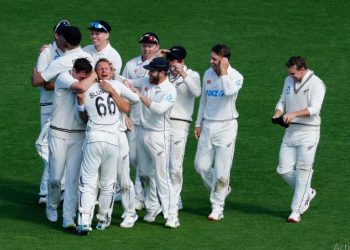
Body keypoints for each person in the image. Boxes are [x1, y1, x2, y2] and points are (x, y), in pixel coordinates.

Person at [76, 59, 140, 235]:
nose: (104, 71)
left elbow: (84, 118)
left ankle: (84, 221)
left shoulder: (87, 88)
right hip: (112, 139)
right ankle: (103, 219)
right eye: (100, 68)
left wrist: (80, 104)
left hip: (96, 137)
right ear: (96, 72)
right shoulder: (115, 86)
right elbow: (130, 104)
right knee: (107, 183)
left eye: (107, 68)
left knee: (89, 182)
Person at [126, 57, 180, 228]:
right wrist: (114, 75)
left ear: (162, 73)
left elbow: (159, 109)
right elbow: (129, 81)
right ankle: (152, 208)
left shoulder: (170, 90)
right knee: (144, 173)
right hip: (142, 131)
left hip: (159, 136)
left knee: (162, 177)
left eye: (152, 71)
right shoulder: (147, 80)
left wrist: (139, 95)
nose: (148, 73)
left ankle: (172, 215)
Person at [272, 56, 326, 223]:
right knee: (283, 169)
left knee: (303, 170)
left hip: (309, 132)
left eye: (294, 73)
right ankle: (307, 192)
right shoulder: (288, 80)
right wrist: (278, 112)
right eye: (290, 73)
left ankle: (296, 211)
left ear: (302, 69)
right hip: (290, 131)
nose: (291, 76)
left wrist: (294, 114)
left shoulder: (317, 84)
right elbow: (282, 100)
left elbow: (315, 109)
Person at [44, 58, 96, 230]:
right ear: (73, 70)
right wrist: (94, 75)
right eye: (79, 76)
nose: (82, 81)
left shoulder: (86, 82)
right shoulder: (63, 77)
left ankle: (68, 217)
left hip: (78, 136)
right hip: (58, 133)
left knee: (73, 179)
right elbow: (81, 87)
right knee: (55, 178)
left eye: (84, 77)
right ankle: (51, 205)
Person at [194, 44, 243, 221]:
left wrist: (223, 72)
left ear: (224, 60)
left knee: (222, 170)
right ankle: (223, 189)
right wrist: (198, 123)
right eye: (211, 58)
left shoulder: (236, 76)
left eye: (215, 59)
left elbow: (229, 91)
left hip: (226, 126)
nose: (211, 61)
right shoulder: (207, 73)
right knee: (200, 166)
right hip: (208, 125)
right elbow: (204, 100)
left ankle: (217, 207)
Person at [32, 19, 70, 205]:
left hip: (66, 108)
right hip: (49, 107)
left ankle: (48, 192)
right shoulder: (47, 53)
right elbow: (40, 82)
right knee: (49, 149)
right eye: (63, 33)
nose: (66, 36)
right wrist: (66, 85)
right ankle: (49, 191)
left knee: (63, 150)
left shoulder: (72, 52)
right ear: (56, 35)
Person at [122, 32, 160, 210]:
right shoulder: (131, 64)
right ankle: (147, 194)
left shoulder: (161, 66)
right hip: (134, 119)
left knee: (146, 161)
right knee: (133, 158)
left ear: (157, 47)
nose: (146, 48)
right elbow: (122, 88)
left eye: (150, 45)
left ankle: (140, 197)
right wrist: (124, 114)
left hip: (152, 122)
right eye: (144, 45)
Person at [165, 46, 201, 209]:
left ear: (182, 61)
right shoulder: (163, 73)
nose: (173, 63)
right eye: (171, 60)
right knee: (161, 164)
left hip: (180, 124)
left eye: (176, 60)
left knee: (175, 165)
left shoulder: (193, 75)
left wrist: (183, 74)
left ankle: (175, 200)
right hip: (161, 123)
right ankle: (163, 199)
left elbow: (196, 92)